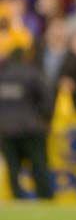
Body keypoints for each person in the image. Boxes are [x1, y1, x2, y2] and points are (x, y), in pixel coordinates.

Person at [0, 46, 54, 199]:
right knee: (39, 167)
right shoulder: (32, 74)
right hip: (32, 129)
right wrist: (44, 120)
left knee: (13, 169)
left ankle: (18, 200)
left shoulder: (2, 75)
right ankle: (45, 199)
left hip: (6, 131)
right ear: (25, 58)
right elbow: (47, 100)